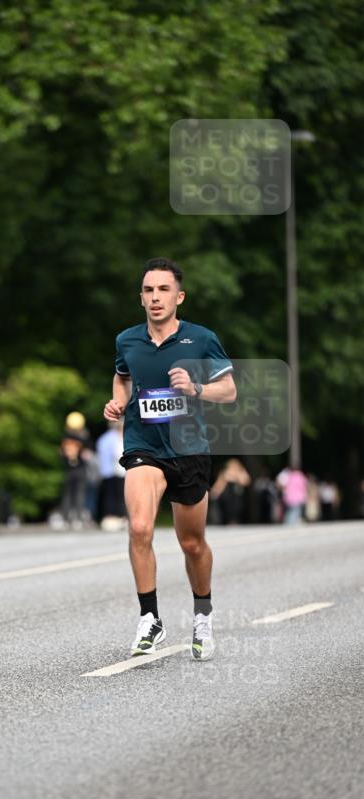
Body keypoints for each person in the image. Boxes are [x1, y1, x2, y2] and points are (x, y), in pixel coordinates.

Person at [103, 257, 236, 661]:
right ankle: (150, 619)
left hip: (189, 449)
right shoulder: (127, 340)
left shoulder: (201, 339)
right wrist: (119, 402)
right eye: (148, 290)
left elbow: (228, 390)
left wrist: (195, 388)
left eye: (163, 290)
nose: (155, 297)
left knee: (191, 543)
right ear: (140, 298)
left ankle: (202, 615)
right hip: (144, 446)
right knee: (140, 527)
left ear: (179, 296)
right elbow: (123, 374)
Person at [96, 419, 127, 530]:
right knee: (119, 496)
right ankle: (119, 517)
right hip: (117, 471)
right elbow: (117, 454)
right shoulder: (116, 438)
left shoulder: (103, 438)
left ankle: (110, 517)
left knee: (109, 496)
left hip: (105, 472)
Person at [210, 458, 251, 525]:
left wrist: (236, 477)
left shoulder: (240, 472)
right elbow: (218, 488)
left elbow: (246, 481)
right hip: (226, 501)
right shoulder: (224, 474)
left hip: (238, 501)